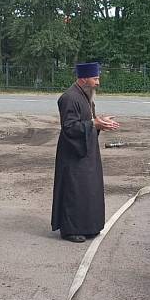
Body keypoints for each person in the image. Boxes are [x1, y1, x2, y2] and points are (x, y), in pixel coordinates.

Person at [51, 62, 120, 243]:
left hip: (87, 150)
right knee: (74, 190)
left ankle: (89, 226)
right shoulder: (69, 98)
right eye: (95, 78)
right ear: (83, 79)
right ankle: (71, 229)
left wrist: (99, 122)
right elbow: (69, 127)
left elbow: (87, 120)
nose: (98, 82)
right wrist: (94, 124)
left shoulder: (85, 96)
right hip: (73, 153)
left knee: (88, 189)